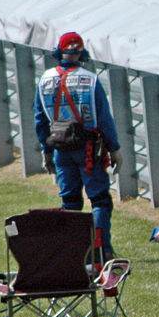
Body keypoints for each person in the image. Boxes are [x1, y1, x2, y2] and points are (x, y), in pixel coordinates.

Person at [34, 32, 123, 260]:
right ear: (81, 52)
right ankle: (101, 250)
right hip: (89, 149)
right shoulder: (90, 79)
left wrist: (46, 151)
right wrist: (114, 148)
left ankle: (74, 253)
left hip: (60, 149)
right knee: (100, 199)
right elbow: (104, 118)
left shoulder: (45, 79)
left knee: (70, 202)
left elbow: (40, 120)